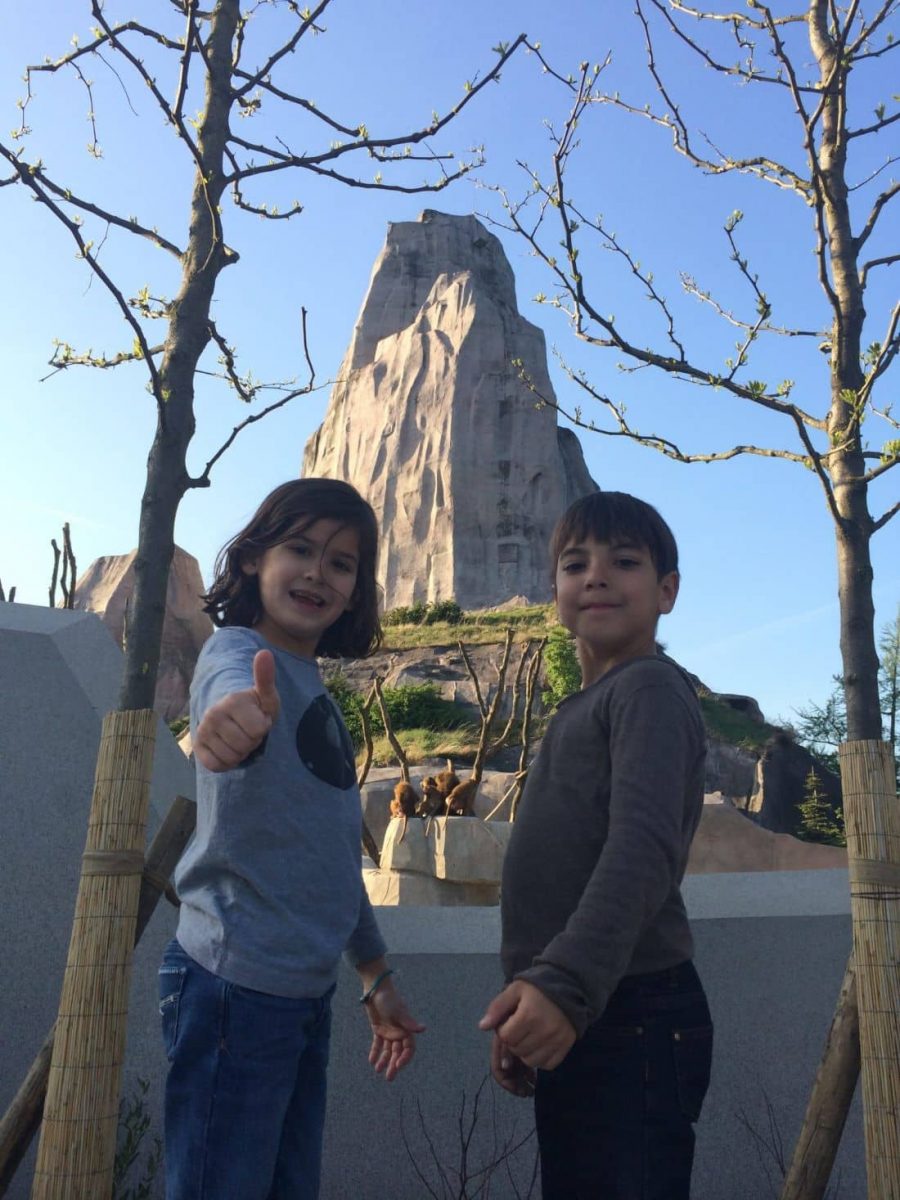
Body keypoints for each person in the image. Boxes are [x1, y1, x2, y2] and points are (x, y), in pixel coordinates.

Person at [159, 478, 423, 1200]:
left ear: (355, 588)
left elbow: (329, 855)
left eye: (341, 563)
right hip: (233, 990)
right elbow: (227, 692)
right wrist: (227, 721)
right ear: (253, 559)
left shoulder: (313, 688)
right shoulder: (238, 653)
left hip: (301, 996)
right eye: (300, 549)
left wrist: (374, 974)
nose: (317, 573)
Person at [480, 491, 712, 1200]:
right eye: (576, 564)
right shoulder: (586, 705)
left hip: (631, 1013)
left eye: (625, 562)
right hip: (587, 1009)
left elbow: (641, 849)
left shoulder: (649, 689)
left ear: (667, 591)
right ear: (554, 593)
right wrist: (532, 1001)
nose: (597, 576)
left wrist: (561, 987)